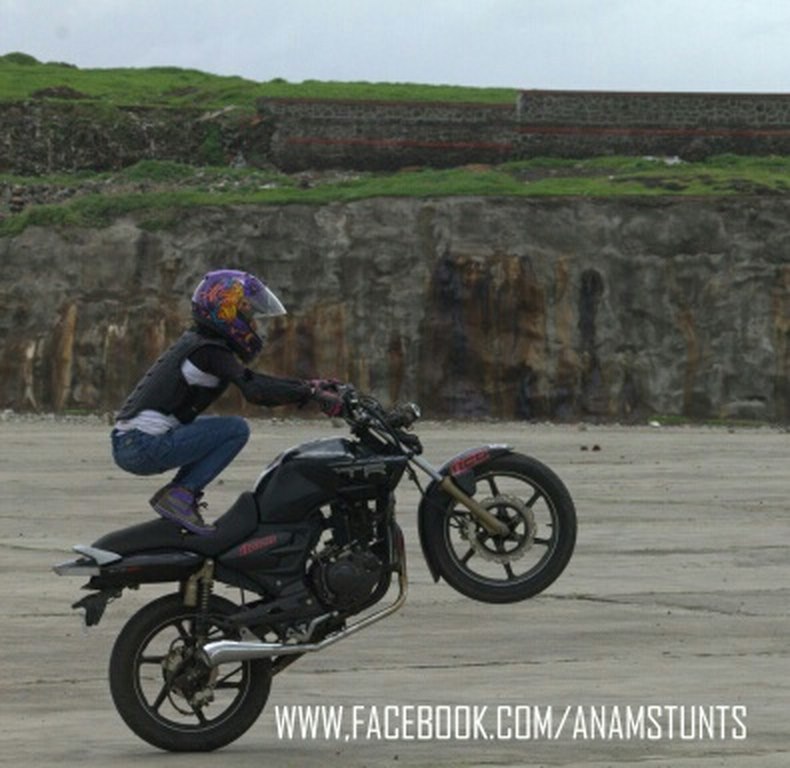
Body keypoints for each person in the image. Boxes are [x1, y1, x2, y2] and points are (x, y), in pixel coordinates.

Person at [111, 268, 342, 535]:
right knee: (235, 429)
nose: (253, 323)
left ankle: (179, 494)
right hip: (142, 445)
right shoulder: (210, 351)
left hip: (131, 441)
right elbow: (255, 389)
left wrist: (309, 388)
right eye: (248, 314)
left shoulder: (200, 343)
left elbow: (255, 381)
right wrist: (310, 392)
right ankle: (180, 495)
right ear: (225, 310)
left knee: (218, 427)